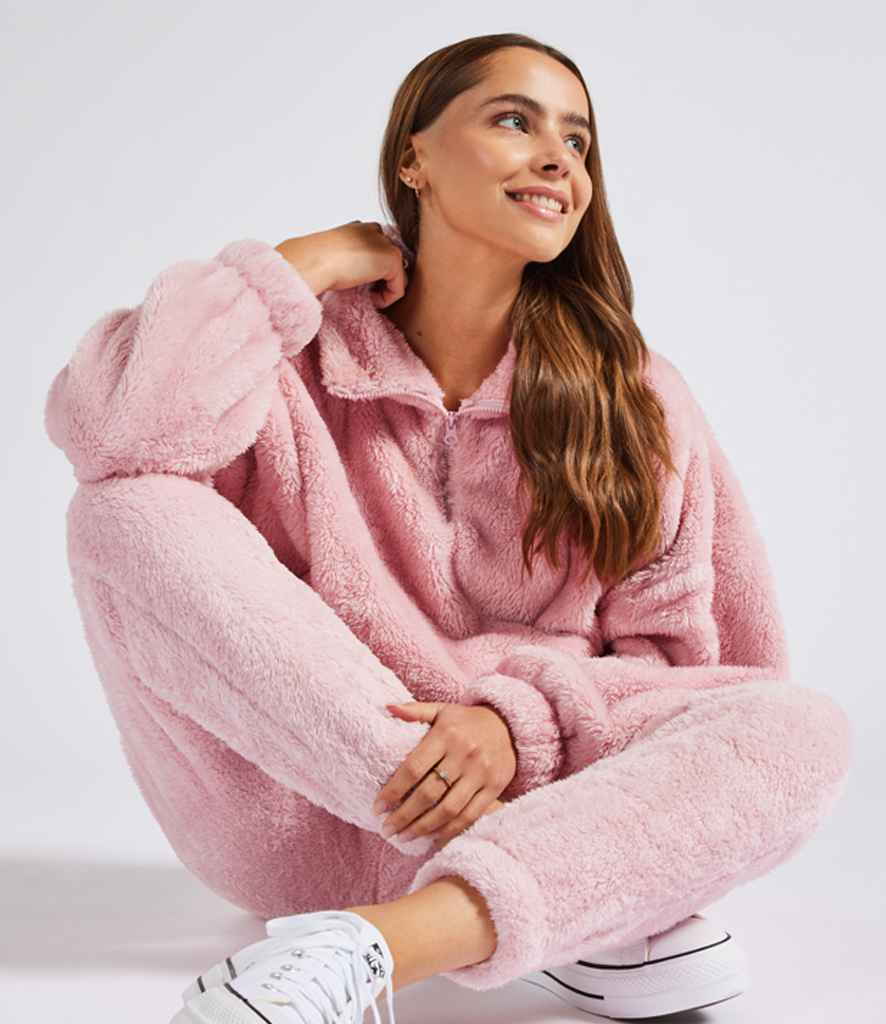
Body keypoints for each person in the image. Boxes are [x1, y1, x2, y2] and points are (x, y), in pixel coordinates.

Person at [44, 31, 851, 1024]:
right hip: (311, 816)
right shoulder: (283, 363)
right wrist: (301, 267)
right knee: (125, 509)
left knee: (801, 730)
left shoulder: (633, 397)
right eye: (515, 120)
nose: (558, 159)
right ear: (413, 159)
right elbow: (116, 433)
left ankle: (381, 944)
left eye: (577, 140)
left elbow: (698, 668)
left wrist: (513, 727)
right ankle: (585, 907)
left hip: (552, 788)